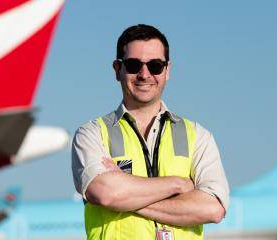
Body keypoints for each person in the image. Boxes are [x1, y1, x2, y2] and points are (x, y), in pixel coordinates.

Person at [71, 24, 229, 240]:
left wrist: (126, 198)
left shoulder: (198, 135)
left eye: (155, 65)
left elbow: (212, 209)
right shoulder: (92, 134)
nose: (144, 74)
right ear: (118, 69)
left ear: (167, 70)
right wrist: (179, 184)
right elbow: (105, 193)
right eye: (134, 65)